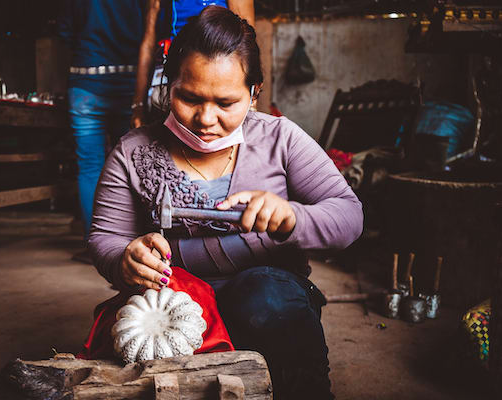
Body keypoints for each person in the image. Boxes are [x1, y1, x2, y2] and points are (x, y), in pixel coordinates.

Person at [88, 6, 363, 399]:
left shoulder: (280, 139)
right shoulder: (133, 151)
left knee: (263, 296)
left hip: (269, 301)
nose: (205, 118)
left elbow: (349, 216)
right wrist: (124, 257)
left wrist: (292, 217)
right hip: (174, 298)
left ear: (253, 94)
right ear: (168, 86)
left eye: (226, 103)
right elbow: (105, 236)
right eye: (189, 98)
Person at [58, 0, 146, 258]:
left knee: (89, 166)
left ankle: (93, 245)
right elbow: (153, 30)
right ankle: (128, 244)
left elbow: (64, 32)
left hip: (86, 81)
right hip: (130, 83)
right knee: (131, 166)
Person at [130, 0, 254, 128]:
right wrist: (138, 105)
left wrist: (251, 105)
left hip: (218, 78)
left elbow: (248, 45)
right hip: (170, 81)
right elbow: (148, 44)